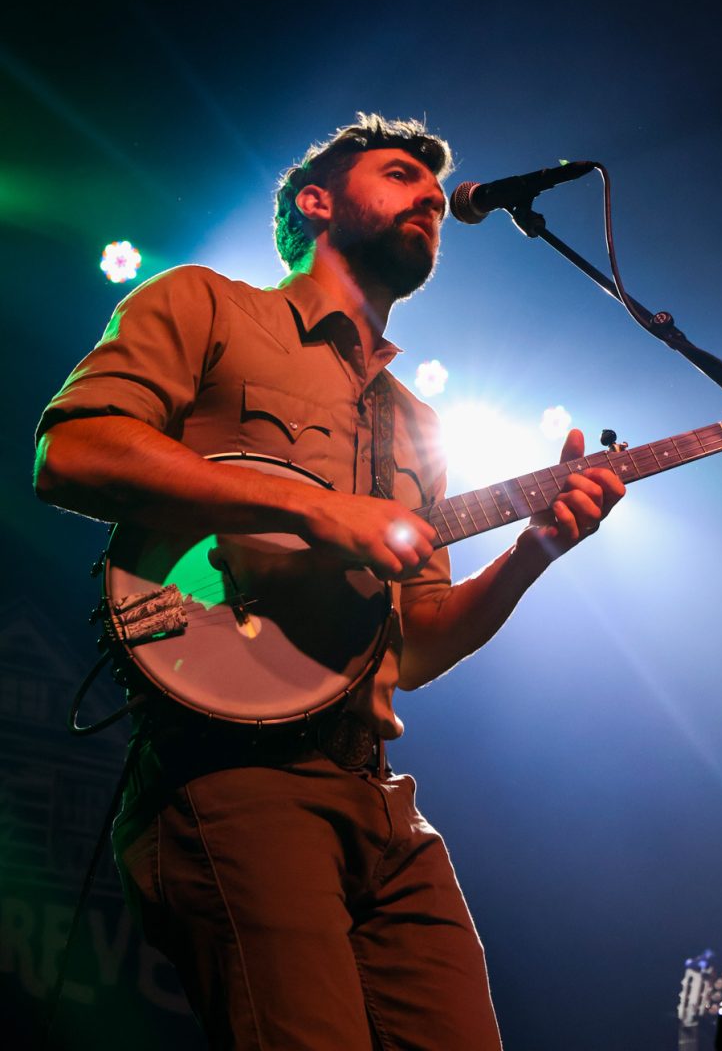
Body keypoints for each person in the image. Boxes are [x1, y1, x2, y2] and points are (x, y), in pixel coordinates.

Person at [34, 114, 625, 1050]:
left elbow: (418, 644)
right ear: (315, 199)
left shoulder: (419, 423)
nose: (431, 198)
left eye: (436, 193)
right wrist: (313, 512)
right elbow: (70, 451)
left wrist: (532, 553)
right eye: (400, 176)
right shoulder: (206, 306)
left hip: (382, 802)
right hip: (233, 780)